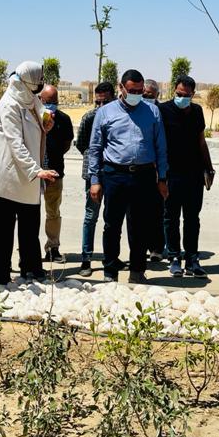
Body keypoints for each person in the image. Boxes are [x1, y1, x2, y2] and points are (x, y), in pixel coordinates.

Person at [87, 69, 168, 283]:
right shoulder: (105, 113)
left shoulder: (152, 112)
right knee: (112, 225)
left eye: (140, 91)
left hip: (143, 175)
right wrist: (95, 180)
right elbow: (95, 148)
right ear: (121, 87)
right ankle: (110, 271)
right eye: (132, 91)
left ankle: (137, 271)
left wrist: (162, 178)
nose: (136, 95)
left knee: (140, 225)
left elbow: (161, 147)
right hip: (114, 175)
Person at [0, 61, 58, 285]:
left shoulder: (29, 97)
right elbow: (15, 144)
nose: (40, 84)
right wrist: (36, 170)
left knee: (30, 226)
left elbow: (41, 114)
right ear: (27, 81)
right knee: (3, 227)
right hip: (10, 175)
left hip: (29, 174)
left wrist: (47, 123)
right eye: (38, 79)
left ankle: (31, 269)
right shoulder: (9, 104)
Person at [160, 75, 213, 278]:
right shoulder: (163, 110)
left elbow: (201, 142)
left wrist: (209, 168)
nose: (182, 98)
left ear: (193, 95)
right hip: (171, 173)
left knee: (192, 218)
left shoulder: (197, 111)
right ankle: (174, 257)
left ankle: (192, 259)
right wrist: (160, 175)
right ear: (174, 91)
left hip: (193, 174)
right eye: (179, 94)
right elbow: (158, 142)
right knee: (171, 217)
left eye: (186, 95)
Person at [74, 81, 114, 277]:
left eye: (105, 102)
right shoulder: (89, 117)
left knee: (112, 219)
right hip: (93, 174)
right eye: (98, 102)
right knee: (91, 217)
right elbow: (81, 144)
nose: (101, 106)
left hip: (114, 173)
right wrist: (93, 160)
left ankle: (111, 257)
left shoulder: (118, 117)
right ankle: (86, 258)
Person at [40, 85, 74, 264]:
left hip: (54, 173)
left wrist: (55, 155)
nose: (51, 105)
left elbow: (67, 143)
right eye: (48, 101)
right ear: (40, 100)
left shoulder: (63, 119)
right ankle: (27, 251)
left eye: (54, 101)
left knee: (53, 212)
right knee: (28, 213)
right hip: (33, 173)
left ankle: (53, 248)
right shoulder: (32, 117)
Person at [141, 78, 166, 262]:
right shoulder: (137, 109)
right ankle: (141, 246)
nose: (146, 97)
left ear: (157, 95)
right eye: (144, 94)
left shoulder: (162, 111)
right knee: (141, 211)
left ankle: (157, 248)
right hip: (142, 167)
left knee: (158, 210)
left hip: (158, 168)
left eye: (149, 95)